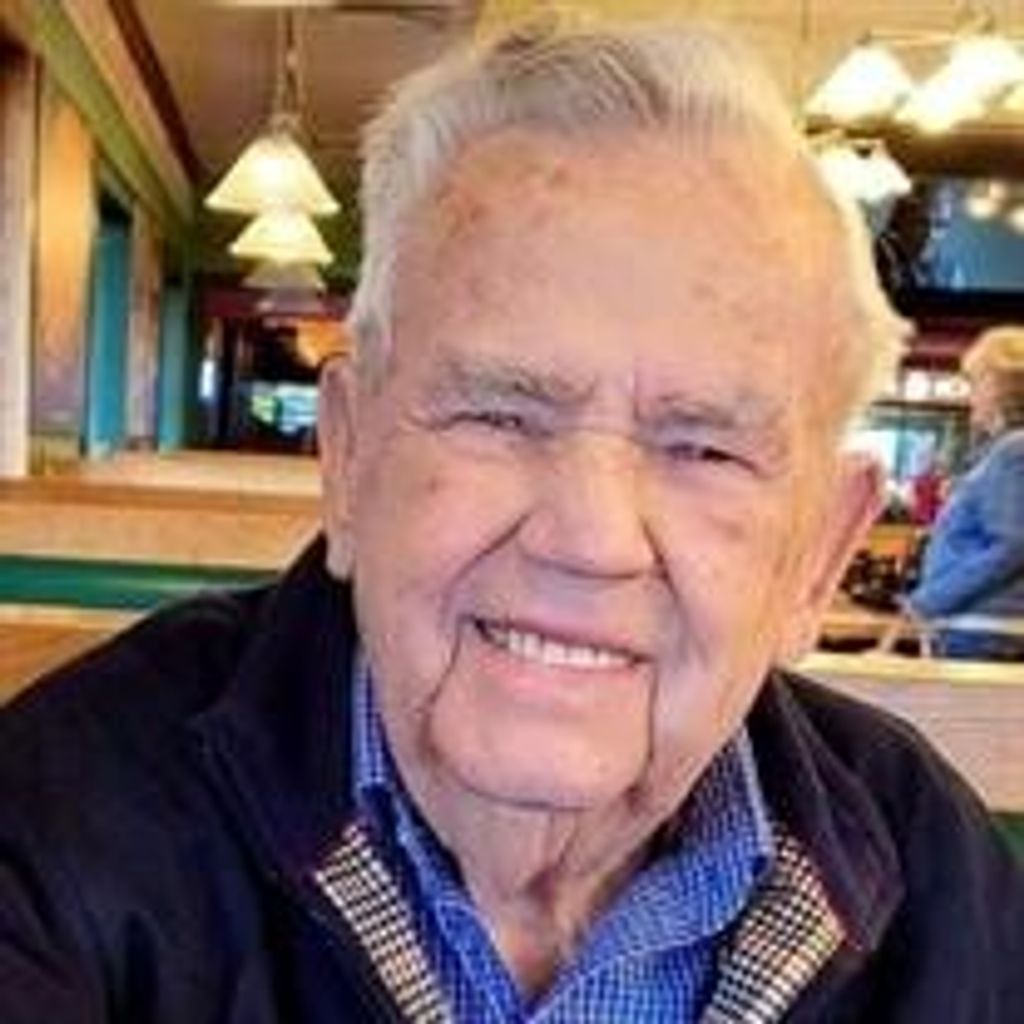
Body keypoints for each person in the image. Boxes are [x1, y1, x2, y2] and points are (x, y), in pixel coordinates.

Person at [2, 17, 1022, 1023]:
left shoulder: (941, 877)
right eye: (499, 414)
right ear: (347, 457)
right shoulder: (57, 820)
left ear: (819, 553)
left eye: (704, 449)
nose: (591, 539)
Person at [904, 326, 1024, 660]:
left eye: (975, 382)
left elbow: (1013, 546)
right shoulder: (1001, 451)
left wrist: (926, 601)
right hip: (982, 627)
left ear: (1000, 387)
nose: (970, 396)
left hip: (985, 631)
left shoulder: (1014, 450)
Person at [874, 180, 964, 295]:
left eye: (940, 225)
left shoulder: (950, 271)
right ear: (901, 219)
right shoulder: (877, 257)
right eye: (921, 223)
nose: (930, 235)